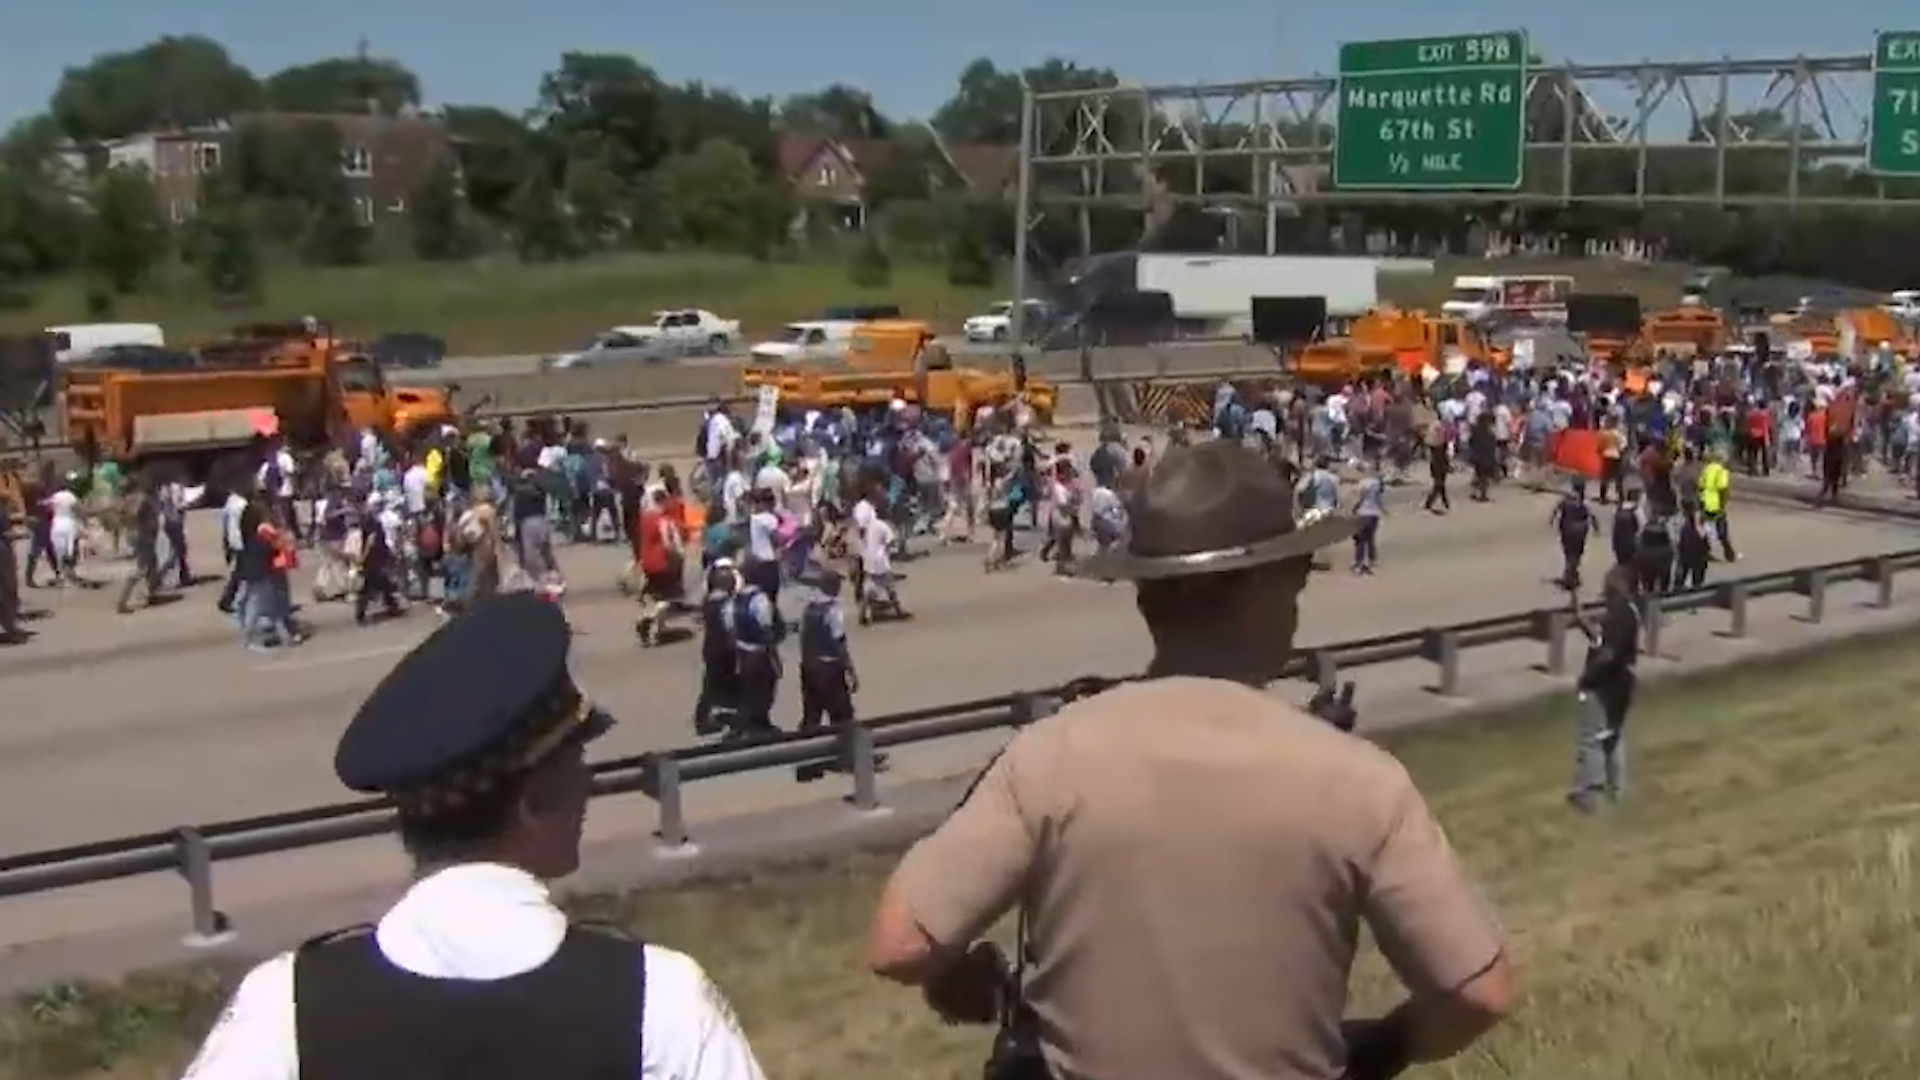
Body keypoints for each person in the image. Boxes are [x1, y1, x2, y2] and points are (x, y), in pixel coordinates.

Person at [863, 440, 1514, 1080]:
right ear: (1270, 586)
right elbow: (1477, 991)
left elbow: (900, 942)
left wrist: (966, 982)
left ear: (1146, 595)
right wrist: (1380, 1046)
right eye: (1298, 572)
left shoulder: (1051, 755)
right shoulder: (1358, 781)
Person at [176, 593, 769, 1080]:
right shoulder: (661, 1003)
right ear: (535, 803)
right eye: (577, 767)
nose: (588, 788)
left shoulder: (286, 1010)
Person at [1569, 562, 1643, 813]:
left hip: (1605, 685)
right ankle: (1617, 789)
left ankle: (1586, 794)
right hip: (1622, 684)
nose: (1604, 589)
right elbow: (1600, 639)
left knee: (1591, 740)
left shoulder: (1619, 616)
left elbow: (1608, 653)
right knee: (1612, 736)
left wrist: (1589, 676)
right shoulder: (1627, 612)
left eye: (1608, 585)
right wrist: (1578, 608)